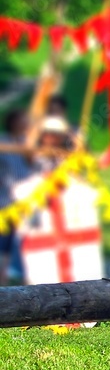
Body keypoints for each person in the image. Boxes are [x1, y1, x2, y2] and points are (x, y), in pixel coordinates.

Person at [0, 109, 33, 286]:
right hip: (5, 201)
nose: (24, 124)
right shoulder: (3, 142)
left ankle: (23, 279)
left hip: (26, 203)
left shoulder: (28, 143)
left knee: (24, 243)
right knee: (3, 244)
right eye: (21, 121)